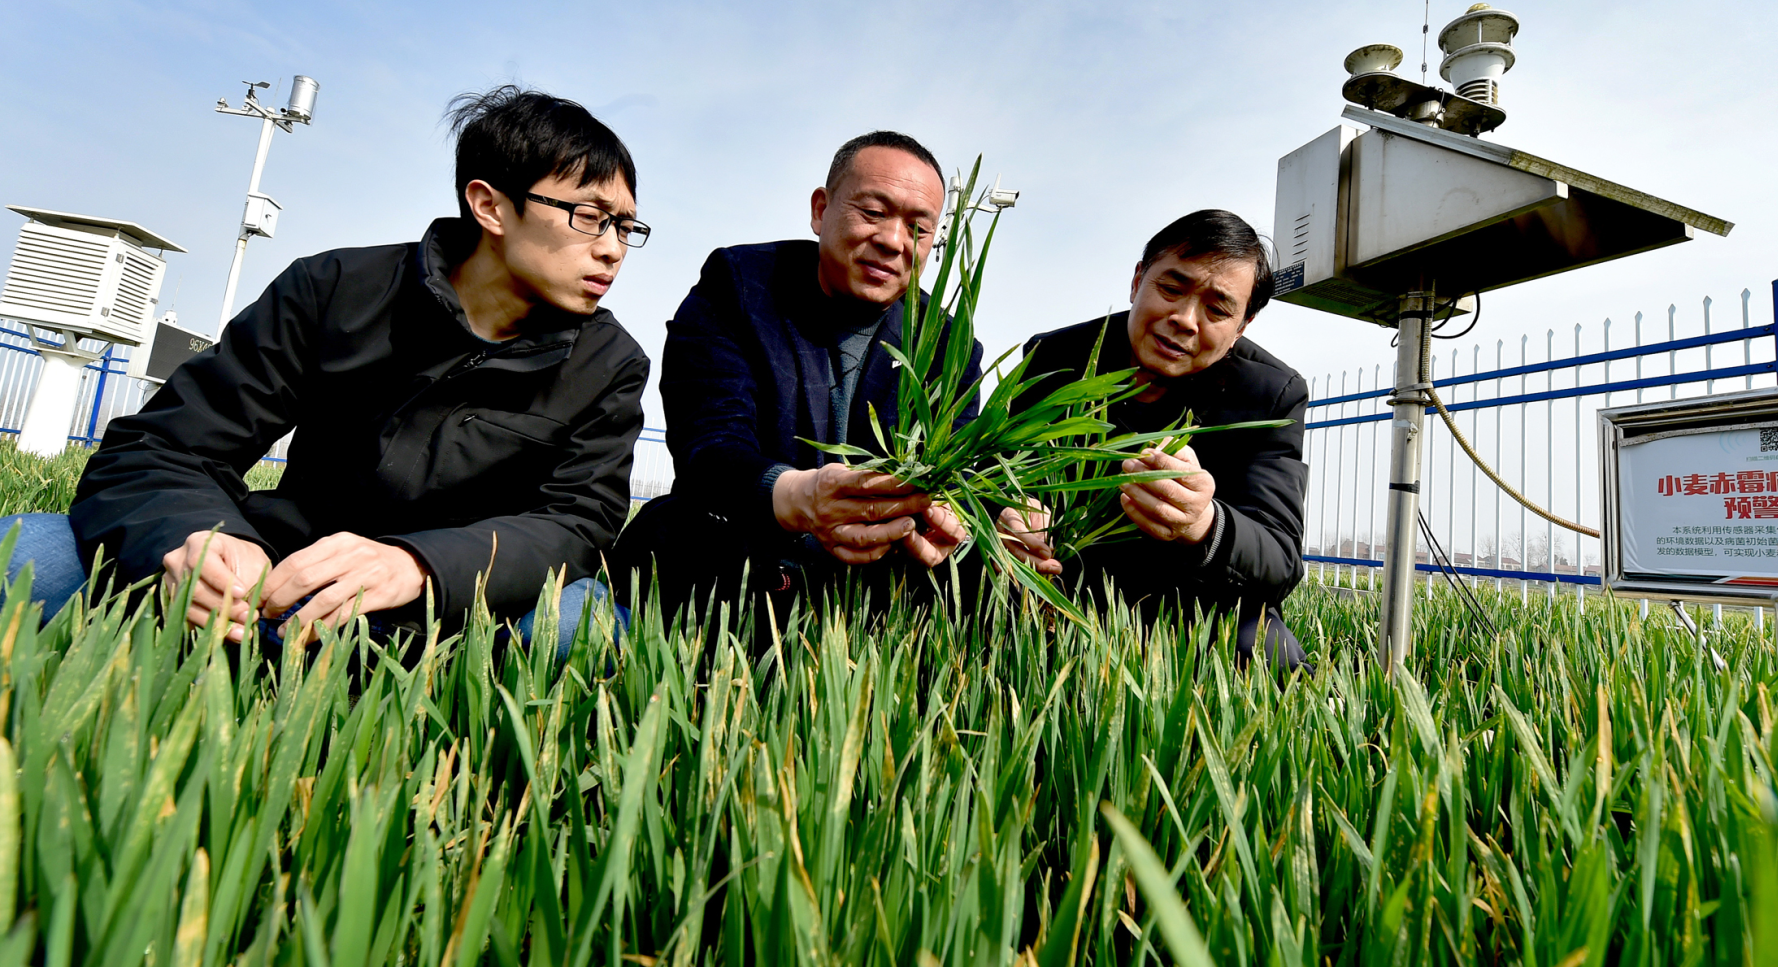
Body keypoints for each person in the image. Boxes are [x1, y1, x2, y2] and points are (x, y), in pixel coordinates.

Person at [10, 86, 650, 659]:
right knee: (26, 553)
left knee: (579, 627)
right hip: (279, 577)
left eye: (626, 226)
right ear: (489, 206)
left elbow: (576, 525)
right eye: (589, 217)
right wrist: (200, 540)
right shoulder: (337, 288)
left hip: (456, 609)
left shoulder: (609, 363)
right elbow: (164, 446)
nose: (612, 247)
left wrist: (419, 568)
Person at [613, 130, 975, 626]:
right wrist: (797, 496)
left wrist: (963, 519)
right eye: (872, 212)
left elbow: (960, 477)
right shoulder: (739, 285)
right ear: (821, 209)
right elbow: (710, 447)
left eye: (919, 228)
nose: (893, 241)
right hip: (728, 578)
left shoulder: (947, 344)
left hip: (872, 602)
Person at [999, 209, 1312, 669]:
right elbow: (994, 474)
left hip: (1192, 601)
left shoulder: (1271, 393)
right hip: (1061, 583)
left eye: (1218, 309)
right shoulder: (1055, 358)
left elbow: (1280, 560)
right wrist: (1008, 514)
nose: (1185, 320)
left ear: (1241, 327)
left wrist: (1205, 524)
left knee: (1263, 650)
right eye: (1171, 289)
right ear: (1137, 281)